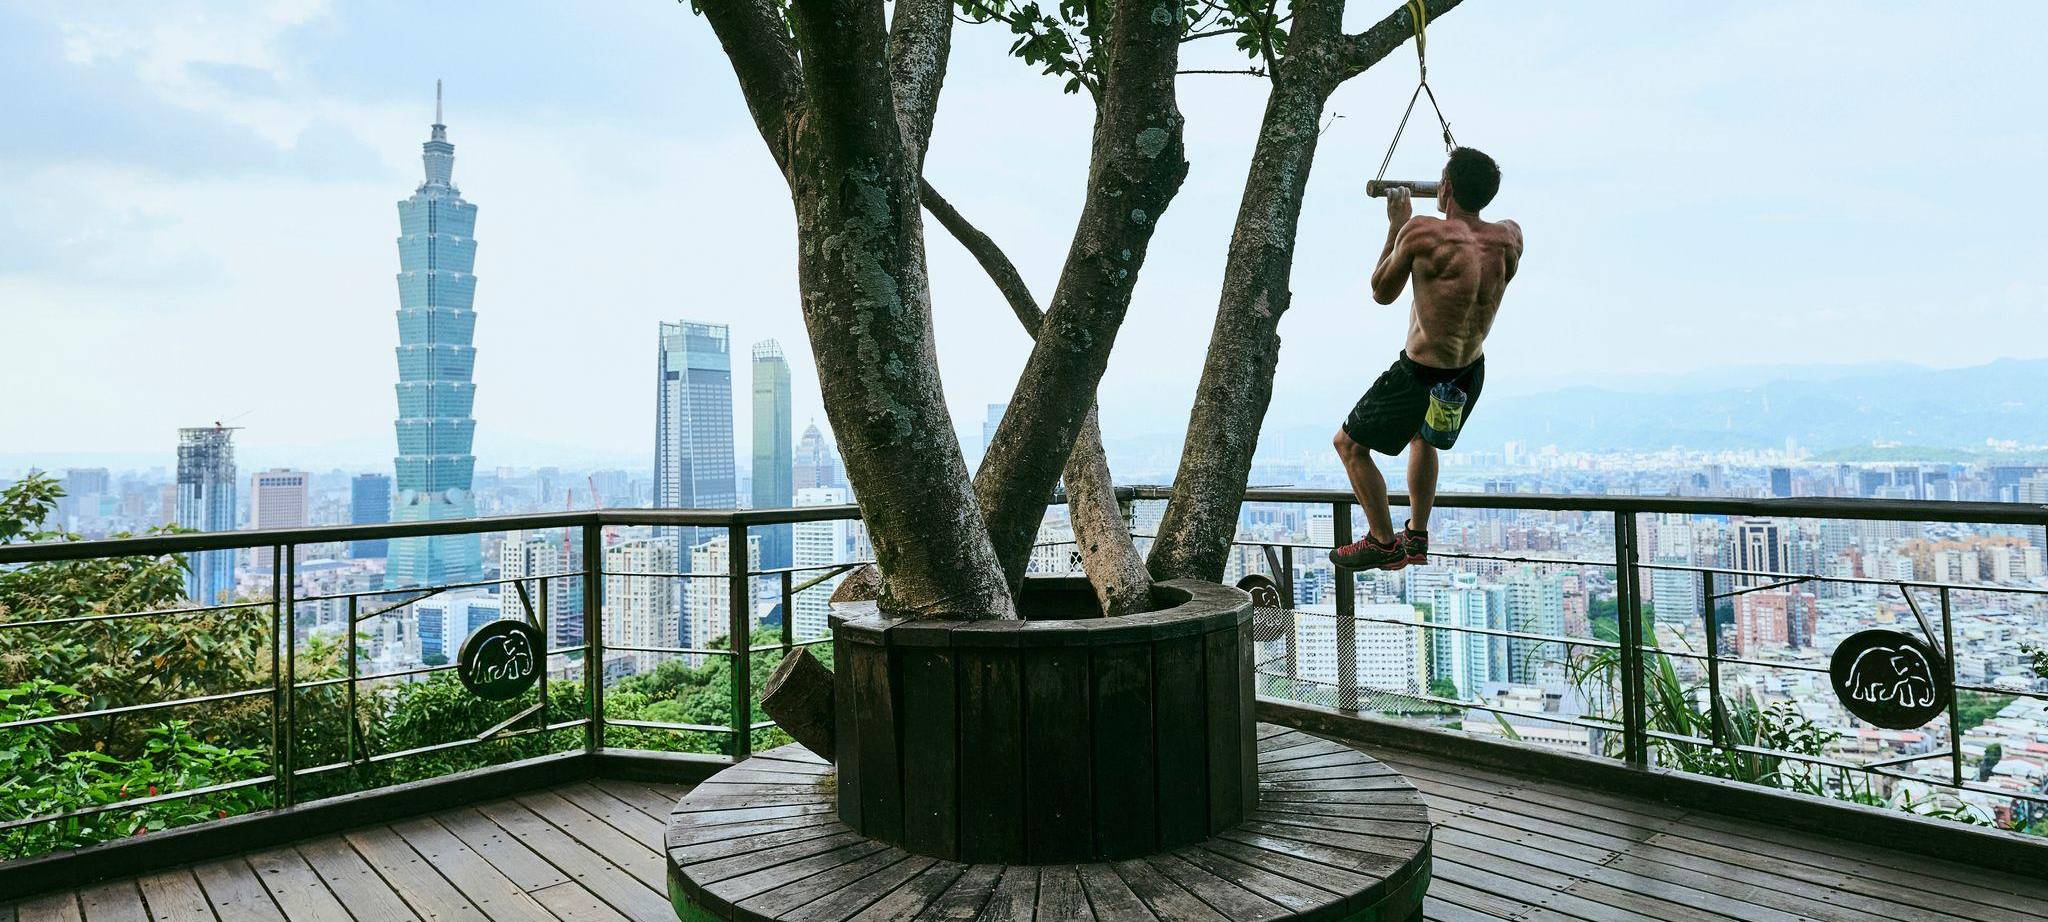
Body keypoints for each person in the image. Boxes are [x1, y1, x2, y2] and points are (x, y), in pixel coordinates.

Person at [1331, 147, 1523, 571]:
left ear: (1446, 187)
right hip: (1468, 373)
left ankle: (1383, 542)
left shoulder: (1423, 233)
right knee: (1423, 438)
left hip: (1419, 374)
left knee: (1349, 445)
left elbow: (1381, 292)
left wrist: (1396, 227)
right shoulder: (1510, 238)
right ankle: (1416, 536)